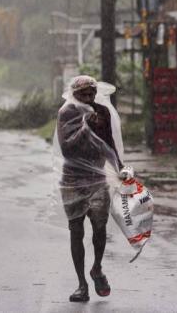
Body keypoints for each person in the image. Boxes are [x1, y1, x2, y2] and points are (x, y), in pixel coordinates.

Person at [55, 75, 124, 302]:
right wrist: (86, 126)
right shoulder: (67, 114)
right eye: (83, 94)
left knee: (100, 227)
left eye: (91, 94)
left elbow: (109, 145)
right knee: (76, 230)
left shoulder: (102, 112)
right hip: (73, 181)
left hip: (96, 177)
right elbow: (67, 148)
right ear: (74, 94)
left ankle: (96, 268)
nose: (88, 98)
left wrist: (120, 168)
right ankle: (81, 284)